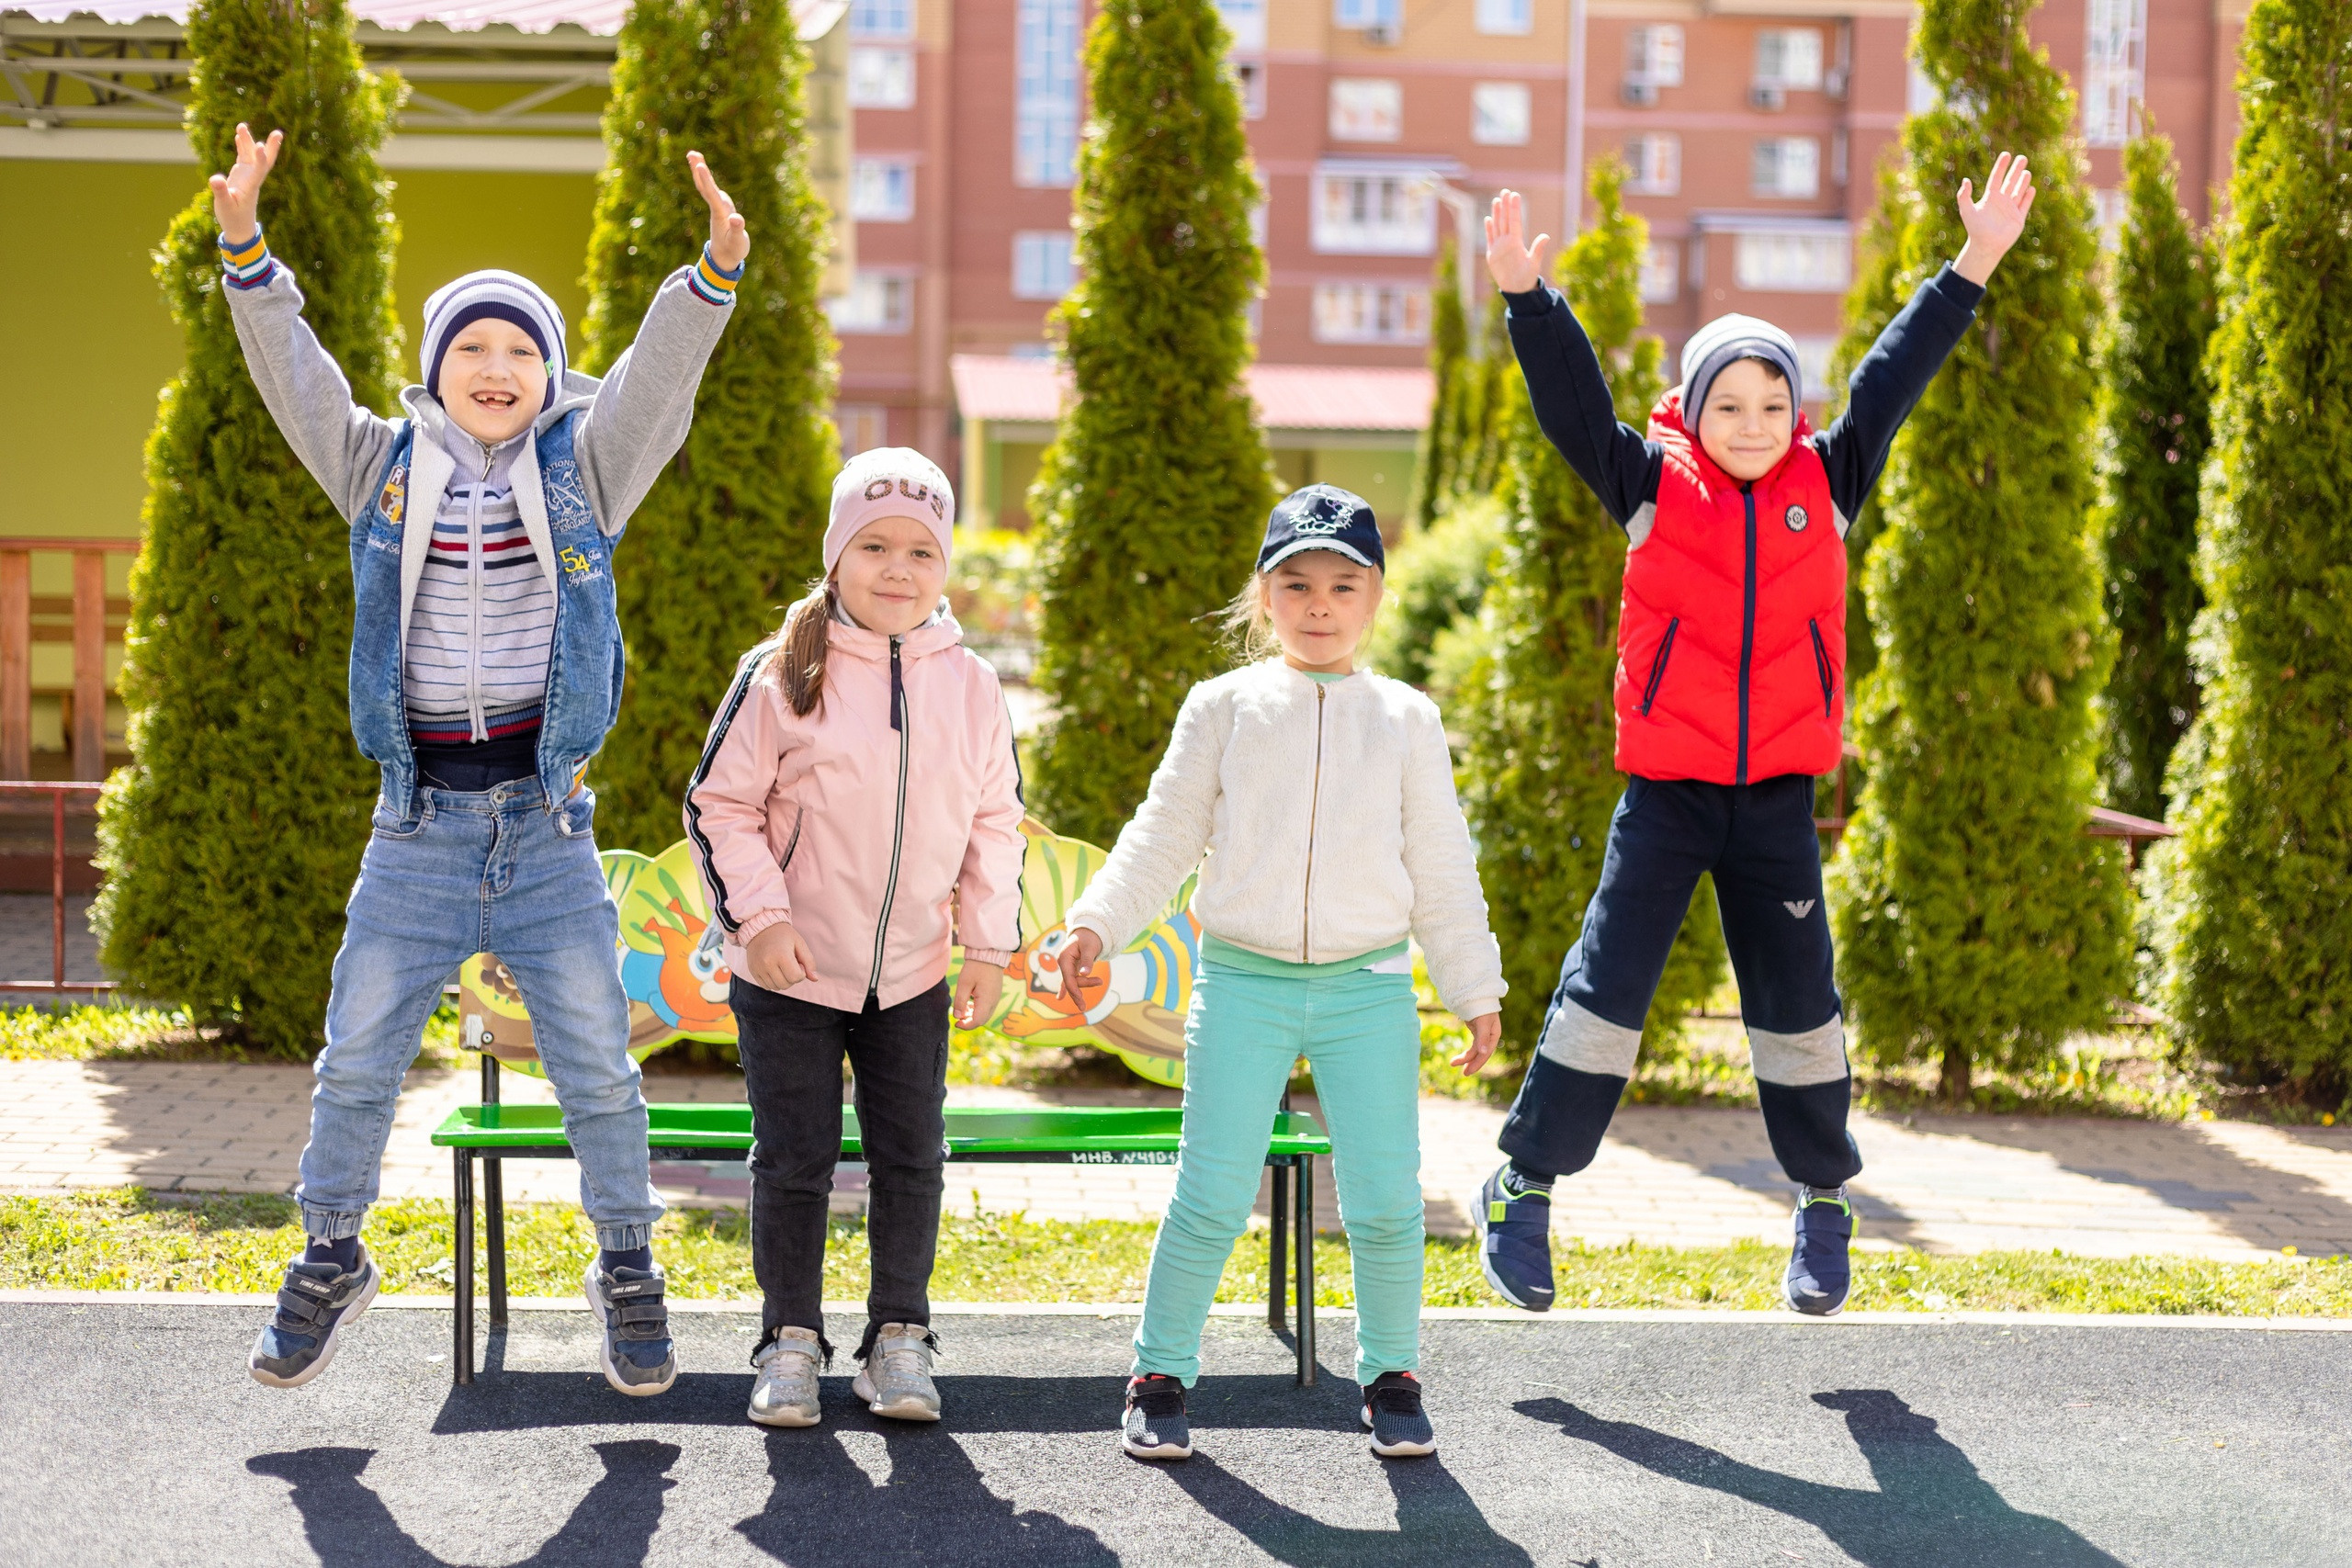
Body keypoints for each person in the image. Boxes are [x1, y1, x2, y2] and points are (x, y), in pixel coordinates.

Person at [215, 122, 749, 1394]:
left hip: (545, 825)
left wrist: (709, 279)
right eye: (471, 347)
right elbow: (297, 380)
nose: (496, 367)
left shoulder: (584, 473)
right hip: (415, 827)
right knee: (357, 1057)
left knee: (598, 1067)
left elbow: (650, 385)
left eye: (521, 350)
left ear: (550, 375)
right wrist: (246, 253)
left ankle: (628, 1262)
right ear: (433, 371)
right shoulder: (381, 471)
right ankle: (332, 1250)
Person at [1472, 156, 2041, 1318]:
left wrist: (1971, 264)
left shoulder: (1826, 482)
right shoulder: (1648, 484)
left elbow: (1891, 376)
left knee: (1797, 1008)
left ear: (1796, 412)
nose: (1751, 424)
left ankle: (1823, 1201)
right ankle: (1523, 1185)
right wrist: (1531, 302)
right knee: (1606, 993)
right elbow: (1573, 405)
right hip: (1668, 796)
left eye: (1772, 404)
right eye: (1728, 404)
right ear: (1693, 407)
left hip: (1777, 798)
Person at [1058, 485, 1507, 1462]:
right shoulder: (1222, 707)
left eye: (1343, 585)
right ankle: (1158, 1375)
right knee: (1211, 1194)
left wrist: (1475, 988)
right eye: (1295, 583)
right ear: (1263, 597)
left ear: (1375, 596)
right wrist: (1095, 921)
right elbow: (1163, 833)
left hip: (1369, 992)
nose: (1318, 604)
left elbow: (1441, 865)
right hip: (1242, 986)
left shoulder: (1407, 718)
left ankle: (1392, 1378)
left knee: (1386, 1201)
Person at [684, 448, 1024, 1429]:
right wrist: (762, 920)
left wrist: (986, 947)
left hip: (912, 974)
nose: (897, 569)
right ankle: (789, 1340)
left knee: (912, 1155)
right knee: (793, 1159)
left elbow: (994, 821)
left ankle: (899, 1340)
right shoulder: (779, 672)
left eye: (921, 550)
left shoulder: (972, 685)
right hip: (788, 971)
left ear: (945, 564)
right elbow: (718, 805)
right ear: (837, 554)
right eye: (874, 546)